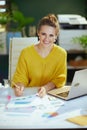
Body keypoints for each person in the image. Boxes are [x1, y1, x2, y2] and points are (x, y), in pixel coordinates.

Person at [12, 14, 67, 98]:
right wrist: (19, 86)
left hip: (51, 97)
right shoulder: (25, 53)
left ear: (56, 37)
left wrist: (46, 88)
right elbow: (21, 77)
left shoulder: (61, 53)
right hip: (30, 96)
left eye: (51, 35)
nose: (46, 39)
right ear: (38, 33)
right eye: (43, 34)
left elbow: (59, 79)